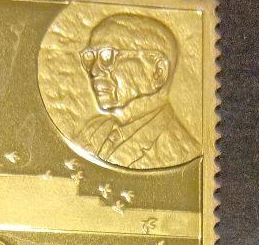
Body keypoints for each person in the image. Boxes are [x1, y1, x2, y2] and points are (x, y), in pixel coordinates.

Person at [78, 13, 199, 170]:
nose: (94, 71)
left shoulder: (181, 153)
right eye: (90, 58)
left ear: (158, 71)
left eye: (107, 56)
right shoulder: (92, 131)